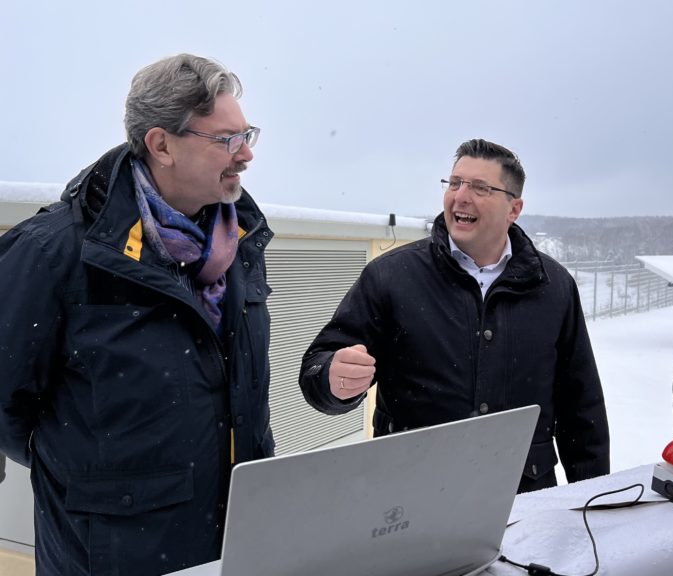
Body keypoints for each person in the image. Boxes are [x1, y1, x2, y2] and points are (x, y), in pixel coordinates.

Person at [0, 54, 273, 575]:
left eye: (247, 135)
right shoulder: (53, 252)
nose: (245, 155)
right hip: (115, 553)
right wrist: (104, 484)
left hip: (233, 540)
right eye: (225, 140)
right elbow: (7, 406)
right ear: (161, 144)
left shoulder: (240, 243)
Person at [300, 138, 610, 492]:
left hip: (521, 496)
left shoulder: (552, 286)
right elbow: (318, 366)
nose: (461, 196)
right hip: (410, 495)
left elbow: (581, 405)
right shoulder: (391, 276)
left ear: (514, 209)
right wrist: (333, 379)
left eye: (480, 188)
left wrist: (593, 499)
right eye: (455, 183)